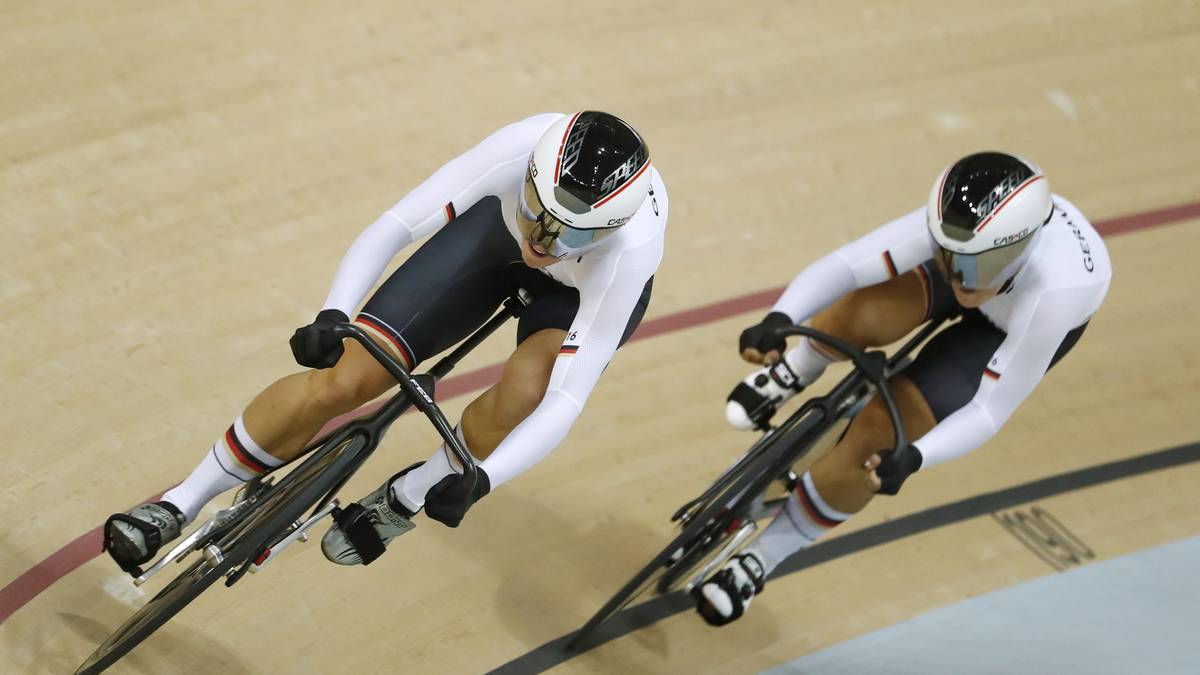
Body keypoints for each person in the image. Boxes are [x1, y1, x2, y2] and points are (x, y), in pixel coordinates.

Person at [104, 111, 667, 571]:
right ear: (529, 177)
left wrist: (482, 480)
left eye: (571, 232)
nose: (544, 241)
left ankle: (409, 494)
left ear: (611, 230)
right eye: (539, 213)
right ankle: (179, 501)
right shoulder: (519, 147)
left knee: (528, 389)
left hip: (576, 296)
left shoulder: (630, 253)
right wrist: (333, 313)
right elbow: (397, 225)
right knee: (347, 377)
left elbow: (566, 400)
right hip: (493, 236)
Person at [694, 152, 1111, 625]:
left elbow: (990, 410)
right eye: (950, 258)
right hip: (987, 263)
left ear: (1020, 249)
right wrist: (779, 319)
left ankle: (763, 557)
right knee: (865, 311)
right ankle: (794, 370)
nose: (960, 280)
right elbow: (848, 266)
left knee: (882, 437)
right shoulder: (962, 231)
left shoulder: (1056, 294)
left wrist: (916, 457)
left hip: (1006, 328)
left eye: (975, 266)